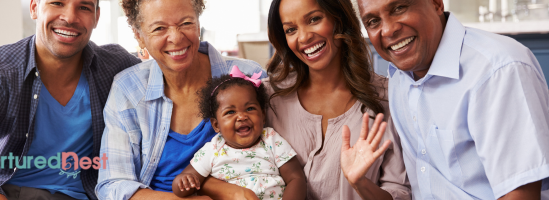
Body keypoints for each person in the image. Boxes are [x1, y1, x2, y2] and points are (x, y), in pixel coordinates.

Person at [355, 0, 549, 199]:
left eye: (399, 8)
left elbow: (520, 195)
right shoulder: (399, 78)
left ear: (437, 4)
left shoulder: (498, 70)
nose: (387, 30)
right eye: (373, 21)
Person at [0, 0, 141, 199]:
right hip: (9, 194)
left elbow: (167, 81)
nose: (69, 17)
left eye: (84, 7)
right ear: (34, 8)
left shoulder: (117, 67)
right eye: (57, 3)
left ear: (96, 17)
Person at [95, 0, 267, 199]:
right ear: (139, 36)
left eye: (186, 23)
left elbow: (284, 156)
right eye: (159, 28)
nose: (176, 38)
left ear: (198, 23)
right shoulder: (128, 89)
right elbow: (113, 185)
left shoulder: (248, 77)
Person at [264, 0, 411, 199]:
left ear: (339, 20)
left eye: (314, 19)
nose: (304, 37)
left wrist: (361, 183)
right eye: (291, 30)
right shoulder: (267, 97)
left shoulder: (389, 98)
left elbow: (399, 192)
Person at [172, 67, 306, 200]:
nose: (242, 116)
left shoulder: (271, 139)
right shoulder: (212, 150)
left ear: (263, 116)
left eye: (250, 108)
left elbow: (296, 178)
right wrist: (184, 182)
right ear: (216, 125)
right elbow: (181, 186)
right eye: (230, 112)